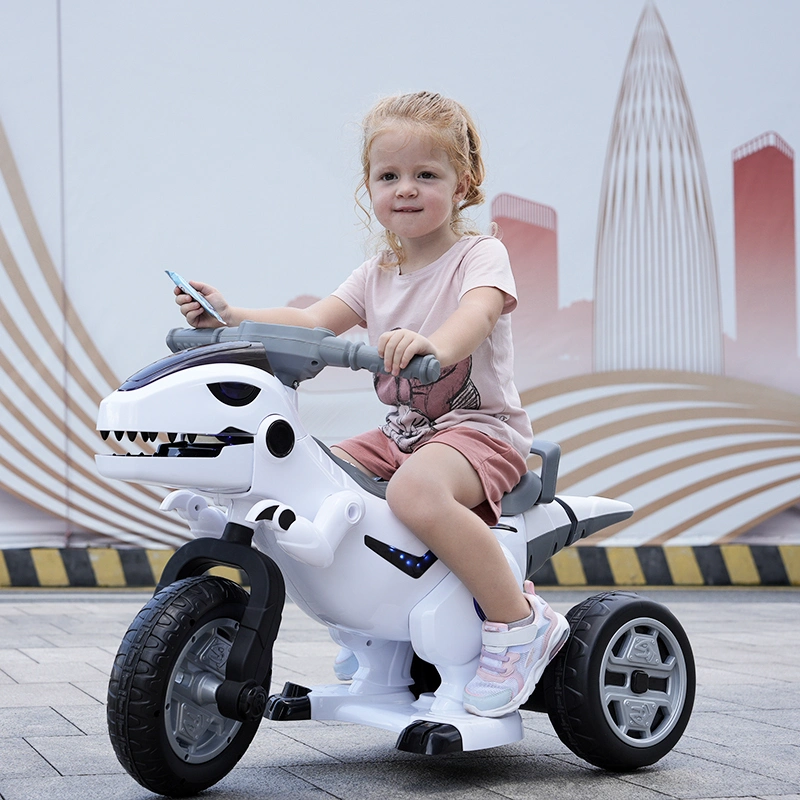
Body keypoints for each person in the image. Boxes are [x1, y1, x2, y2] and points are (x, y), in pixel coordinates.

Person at [174, 91, 569, 718]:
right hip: (407, 431)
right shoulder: (375, 273)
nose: (405, 189)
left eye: (426, 175)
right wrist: (232, 315)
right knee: (311, 473)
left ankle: (518, 625)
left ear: (463, 184)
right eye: (389, 176)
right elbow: (309, 322)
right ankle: (373, 627)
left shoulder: (480, 255)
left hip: (481, 433)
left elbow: (478, 312)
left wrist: (432, 345)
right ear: (369, 186)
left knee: (415, 495)